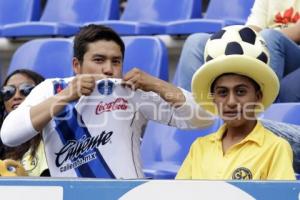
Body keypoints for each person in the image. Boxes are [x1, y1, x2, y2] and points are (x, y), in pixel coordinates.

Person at [0, 24, 214, 178]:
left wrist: (156, 84)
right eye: (99, 60)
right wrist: (66, 96)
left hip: (126, 194)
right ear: (76, 65)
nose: (109, 69)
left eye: (116, 61)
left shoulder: (129, 90)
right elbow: (9, 135)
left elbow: (203, 119)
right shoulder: (52, 89)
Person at [176, 26, 295, 180]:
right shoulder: (199, 147)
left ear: (258, 96)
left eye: (240, 92)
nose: (231, 102)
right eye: (222, 93)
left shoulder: (276, 148)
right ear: (213, 99)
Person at [176, 0, 300, 98]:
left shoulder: (268, 37)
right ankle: (192, 108)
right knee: (196, 41)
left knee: (269, 37)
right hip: (265, 43)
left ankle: (261, 108)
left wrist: (259, 40)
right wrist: (238, 40)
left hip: (292, 53)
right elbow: (252, 28)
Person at [0, 69, 49, 176]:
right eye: (8, 91)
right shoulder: (2, 143)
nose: (16, 96)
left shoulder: (55, 137)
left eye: (26, 89)